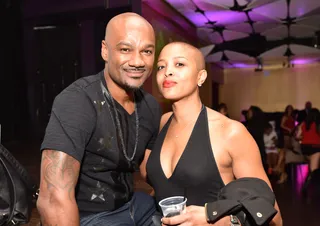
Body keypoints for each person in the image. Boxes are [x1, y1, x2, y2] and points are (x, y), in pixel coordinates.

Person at [37, 12, 162, 226]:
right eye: (125, 49)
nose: (138, 61)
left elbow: (150, 170)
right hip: (89, 217)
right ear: (105, 50)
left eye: (147, 51)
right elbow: (53, 198)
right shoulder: (77, 101)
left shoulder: (150, 106)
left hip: (134, 205)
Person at [145, 42, 282, 226]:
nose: (167, 71)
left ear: (200, 77)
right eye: (161, 66)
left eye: (179, 64)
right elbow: (168, 187)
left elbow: (274, 219)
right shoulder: (162, 123)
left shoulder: (231, 132)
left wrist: (221, 221)